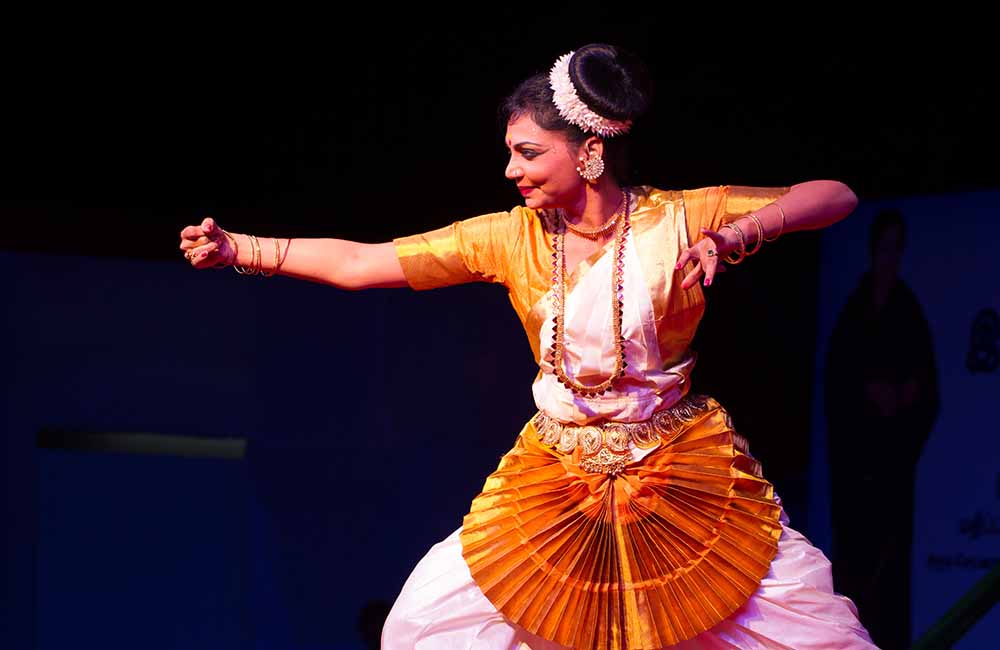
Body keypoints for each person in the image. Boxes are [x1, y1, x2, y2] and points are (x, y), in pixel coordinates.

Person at [180, 44, 875, 649]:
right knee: (421, 629)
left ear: (590, 151)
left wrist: (735, 234)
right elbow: (361, 265)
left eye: (529, 152)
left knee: (805, 631)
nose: (512, 169)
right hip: (556, 474)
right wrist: (240, 248)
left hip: (675, 465)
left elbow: (835, 194)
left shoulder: (680, 217)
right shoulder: (510, 237)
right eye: (511, 153)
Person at [825, 208, 940, 649]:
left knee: (890, 571)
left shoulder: (908, 312)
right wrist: (865, 392)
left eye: (898, 249)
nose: (890, 257)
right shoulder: (853, 313)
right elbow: (837, 382)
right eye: (885, 247)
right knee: (854, 564)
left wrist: (905, 395)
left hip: (892, 465)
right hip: (856, 465)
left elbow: (928, 390)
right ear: (874, 250)